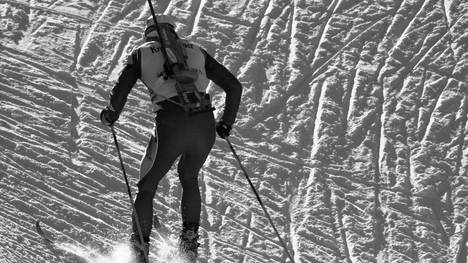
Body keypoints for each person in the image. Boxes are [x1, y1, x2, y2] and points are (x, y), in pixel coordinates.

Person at [100, 14, 242, 262]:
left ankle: (139, 251)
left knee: (147, 186)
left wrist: (110, 116)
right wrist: (226, 123)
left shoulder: (141, 52)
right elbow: (234, 86)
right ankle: (189, 246)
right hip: (204, 124)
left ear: (148, 33)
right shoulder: (196, 49)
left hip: (171, 123)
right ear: (173, 31)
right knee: (189, 176)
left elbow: (120, 90)